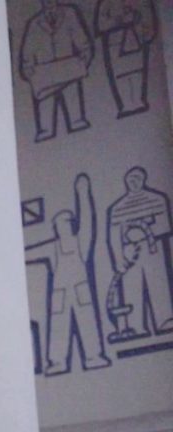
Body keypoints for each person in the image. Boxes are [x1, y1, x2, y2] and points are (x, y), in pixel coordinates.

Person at [26, 174, 110, 375]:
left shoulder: (81, 241)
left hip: (80, 289)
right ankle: (57, 361)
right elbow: (30, 252)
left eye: (66, 224)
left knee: (87, 320)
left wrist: (82, 192)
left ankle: (93, 356)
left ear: (71, 225)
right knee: (58, 326)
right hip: (60, 293)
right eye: (59, 225)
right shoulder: (52, 246)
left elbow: (88, 220)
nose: (62, 228)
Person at [106, 166, 173, 339]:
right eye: (130, 179)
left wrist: (143, 231)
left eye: (137, 178)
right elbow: (114, 237)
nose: (133, 182)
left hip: (153, 249)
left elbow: (164, 225)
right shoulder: (118, 208)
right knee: (131, 287)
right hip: (129, 252)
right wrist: (118, 259)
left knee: (158, 284)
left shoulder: (156, 199)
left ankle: (164, 320)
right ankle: (135, 325)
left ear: (143, 180)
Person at [19, 0, 94, 142]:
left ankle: (77, 120)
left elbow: (80, 37)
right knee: (46, 125)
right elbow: (27, 51)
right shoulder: (34, 23)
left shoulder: (69, 13)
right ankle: (45, 129)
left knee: (77, 119)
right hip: (45, 76)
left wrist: (84, 56)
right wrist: (28, 69)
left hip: (69, 70)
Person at [94, 0, 157, 118]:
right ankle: (125, 104)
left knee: (137, 72)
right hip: (115, 44)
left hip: (136, 41)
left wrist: (145, 31)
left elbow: (148, 18)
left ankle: (138, 100)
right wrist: (120, 20)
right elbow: (101, 25)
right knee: (120, 75)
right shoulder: (106, 3)